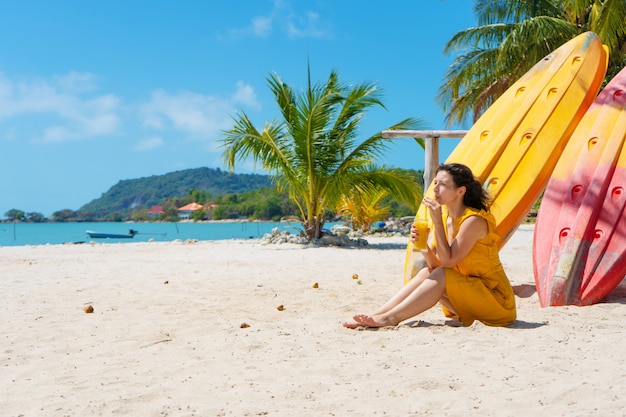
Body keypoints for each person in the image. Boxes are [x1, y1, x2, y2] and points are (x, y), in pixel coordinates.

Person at [343, 163, 516, 329]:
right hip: (471, 295)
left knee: (439, 273)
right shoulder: (447, 218)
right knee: (427, 271)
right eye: (435, 183)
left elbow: (447, 265)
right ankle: (377, 314)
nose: (435, 189)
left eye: (443, 184)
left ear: (460, 191)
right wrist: (423, 245)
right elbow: (436, 267)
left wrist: (437, 223)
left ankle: (390, 318)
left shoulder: (473, 221)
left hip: (496, 302)